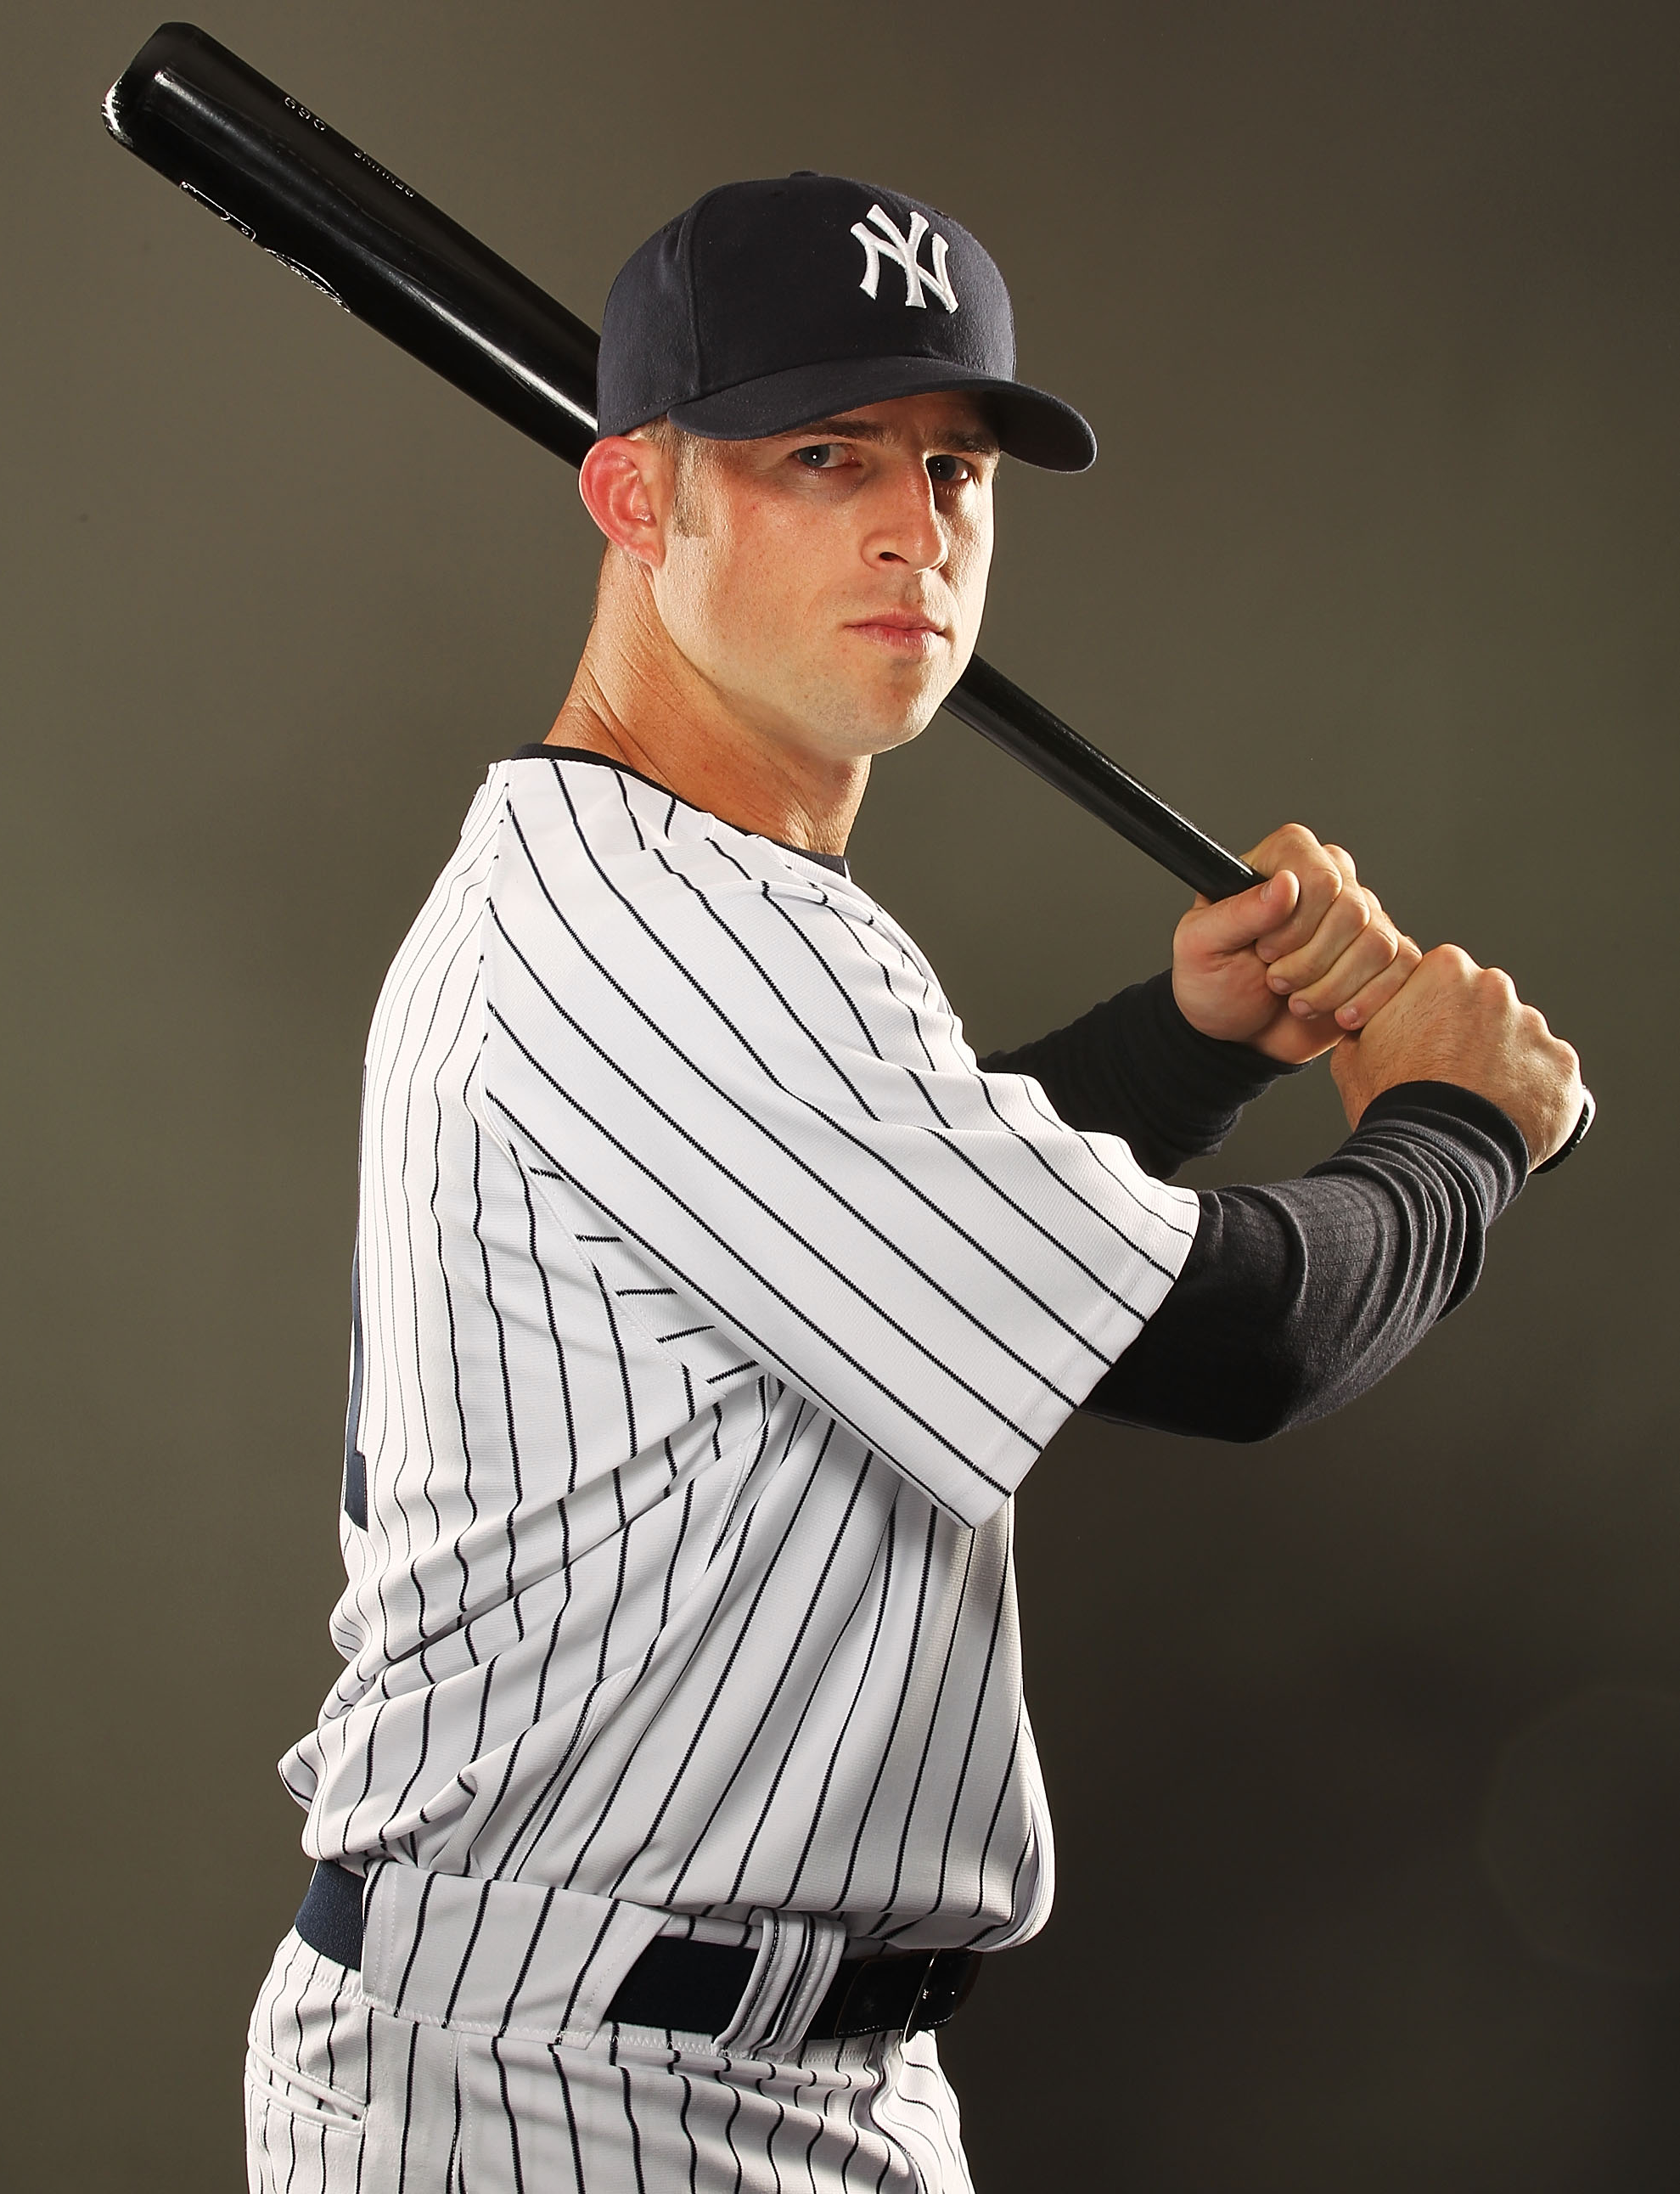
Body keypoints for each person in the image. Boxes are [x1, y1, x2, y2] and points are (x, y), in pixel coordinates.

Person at [243, 174, 1582, 2192]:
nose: (912, 531)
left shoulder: (693, 894)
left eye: (953, 469)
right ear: (633, 501)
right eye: (819, 458)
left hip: (752, 2062)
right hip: (548, 2088)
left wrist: (1179, 1046)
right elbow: (1238, 1343)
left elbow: (872, 1233)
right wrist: (1454, 1126)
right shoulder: (652, 922)